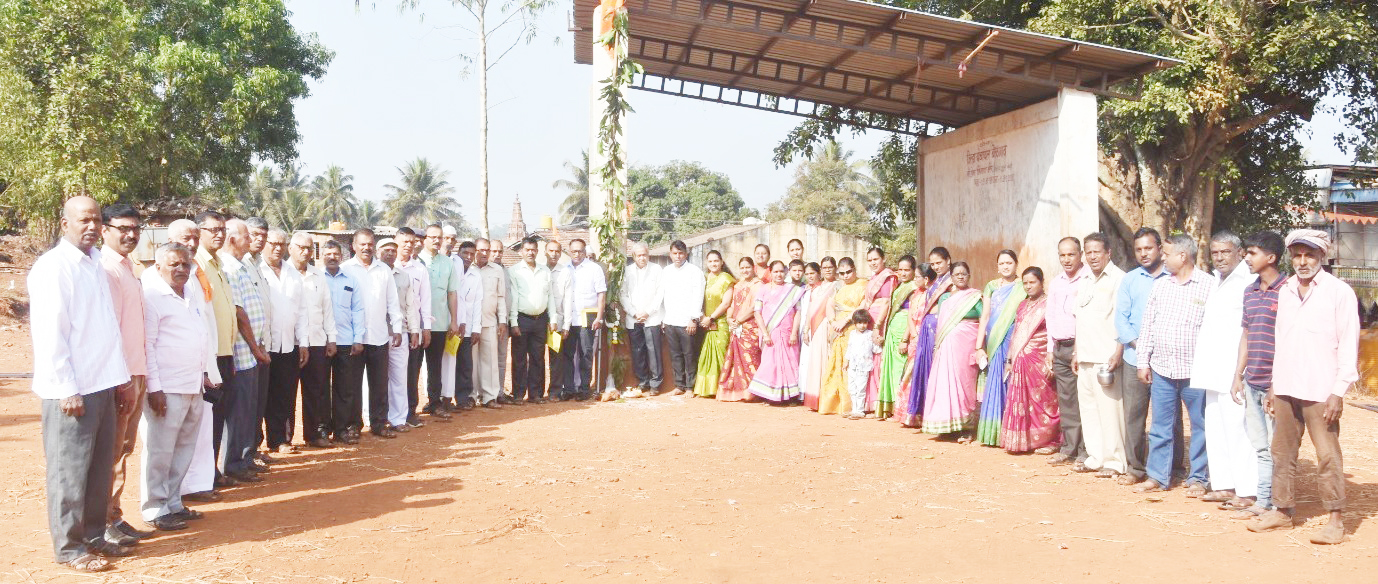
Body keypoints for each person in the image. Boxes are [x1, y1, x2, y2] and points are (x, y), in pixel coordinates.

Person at [29, 196, 133, 572]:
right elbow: (50, 333)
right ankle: (70, 548)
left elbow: (105, 327)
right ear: (65, 224)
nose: (92, 226)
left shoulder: (94, 264)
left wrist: (121, 380)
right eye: (83, 220)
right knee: (69, 472)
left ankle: (94, 536)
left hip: (103, 383)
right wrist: (65, 388)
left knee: (99, 470)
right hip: (72, 391)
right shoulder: (53, 268)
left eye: (96, 220)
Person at [1248, 229, 1358, 545]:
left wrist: (1338, 391)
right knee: (1281, 452)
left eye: (1309, 255)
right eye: (1297, 255)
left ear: (1321, 256)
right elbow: (1281, 341)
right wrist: (1273, 386)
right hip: (1286, 386)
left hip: (1321, 389)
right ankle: (1282, 511)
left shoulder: (1339, 292)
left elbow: (1349, 344)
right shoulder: (1286, 291)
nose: (1302, 261)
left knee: (1327, 455)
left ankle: (1335, 520)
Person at [138, 243, 219, 532]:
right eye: (174, 264)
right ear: (158, 267)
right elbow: (147, 345)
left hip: (193, 384)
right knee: (159, 452)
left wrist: (203, 374)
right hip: (166, 389)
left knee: (184, 449)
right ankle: (154, 508)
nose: (181, 269)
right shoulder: (152, 297)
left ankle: (173, 502)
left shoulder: (190, 295)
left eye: (186, 264)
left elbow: (199, 336)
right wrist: (154, 389)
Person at [1135, 234, 1214, 494]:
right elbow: (1148, 326)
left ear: (1182, 256)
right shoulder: (1160, 286)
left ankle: (1198, 478)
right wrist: (1143, 362)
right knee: (1160, 426)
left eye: (1167, 254)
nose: (1163, 258)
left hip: (1196, 372)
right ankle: (1158, 477)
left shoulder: (1209, 285)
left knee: (1201, 426)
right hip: (1163, 370)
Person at [97, 204, 151, 545]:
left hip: (137, 370)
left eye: (136, 228)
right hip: (122, 375)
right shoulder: (107, 269)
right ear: (105, 230)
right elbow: (110, 330)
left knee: (125, 448)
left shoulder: (128, 267)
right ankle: (102, 523)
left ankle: (114, 515)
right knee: (112, 452)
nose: (131, 234)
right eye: (123, 228)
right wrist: (122, 380)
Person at [1192, 231, 1258, 507]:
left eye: (1225, 252)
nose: (1219, 258)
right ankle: (1224, 485)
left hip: (1235, 371)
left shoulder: (1249, 281)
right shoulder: (1215, 280)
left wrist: (1240, 372)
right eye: (1215, 253)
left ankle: (1247, 489)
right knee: (1216, 428)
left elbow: (1249, 330)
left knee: (1239, 429)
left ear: (1240, 253)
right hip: (1212, 368)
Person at [1228, 230, 1286, 519]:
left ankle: (1279, 504)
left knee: (1278, 448)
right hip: (1253, 382)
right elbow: (1246, 335)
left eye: (1252, 253)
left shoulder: (1288, 291)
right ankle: (1263, 502)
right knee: (1261, 447)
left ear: (1271, 257)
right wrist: (1238, 375)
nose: (1246, 258)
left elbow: (1289, 340)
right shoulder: (1249, 291)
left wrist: (1276, 384)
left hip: (1278, 386)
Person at [164, 220, 220, 502]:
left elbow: (202, 322)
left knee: (199, 432)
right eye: (186, 238)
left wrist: (207, 367)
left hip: (201, 366)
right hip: (173, 373)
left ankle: (196, 485)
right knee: (170, 440)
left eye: (196, 238)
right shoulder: (159, 277)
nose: (193, 243)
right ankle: (172, 495)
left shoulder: (196, 273)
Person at [1114, 227, 1169, 485]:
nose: (1144, 253)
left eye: (1148, 248)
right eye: (1138, 250)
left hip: (1166, 360)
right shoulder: (1130, 280)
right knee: (1133, 416)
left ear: (1160, 248)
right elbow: (1121, 320)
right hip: (1134, 358)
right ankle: (1135, 468)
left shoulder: (1173, 278)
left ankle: (1170, 468)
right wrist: (1141, 347)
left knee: (1167, 418)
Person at [220, 218, 271, 481]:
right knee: (238, 411)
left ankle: (244, 458)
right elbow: (239, 313)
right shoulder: (228, 268)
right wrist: (254, 347)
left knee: (249, 409)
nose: (251, 241)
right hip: (241, 352)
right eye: (246, 236)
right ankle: (233, 464)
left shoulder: (243, 266)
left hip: (251, 351)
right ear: (233, 239)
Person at [1073, 233, 1127, 477]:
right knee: (1089, 411)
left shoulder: (1119, 279)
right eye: (1088, 252)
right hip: (1085, 356)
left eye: (1097, 251)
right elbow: (1080, 319)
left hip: (1106, 357)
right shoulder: (1084, 280)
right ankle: (1096, 457)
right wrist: (1076, 351)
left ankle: (1115, 461)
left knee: (1110, 413)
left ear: (1108, 253)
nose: (1092, 256)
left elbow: (1122, 319)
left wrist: (1118, 351)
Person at [341, 229, 403, 437]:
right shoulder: (346, 270)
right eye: (362, 244)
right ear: (354, 246)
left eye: (370, 244)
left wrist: (397, 328)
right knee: (352, 385)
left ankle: (379, 423)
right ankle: (353, 426)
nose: (366, 248)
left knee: (379, 384)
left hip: (379, 336)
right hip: (353, 338)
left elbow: (392, 302)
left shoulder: (383, 270)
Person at [194, 211, 236, 486]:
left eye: (222, 230)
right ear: (200, 232)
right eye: (213, 230)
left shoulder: (218, 263)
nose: (219, 234)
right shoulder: (197, 264)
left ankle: (213, 470)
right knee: (207, 417)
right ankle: (203, 475)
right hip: (209, 355)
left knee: (219, 414)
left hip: (225, 351)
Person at [1001, 267, 1060, 453]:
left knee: (1044, 401)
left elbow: (1054, 332)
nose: (1028, 286)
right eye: (1025, 283)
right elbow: (1016, 334)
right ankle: (1023, 441)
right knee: (1024, 402)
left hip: (1040, 360)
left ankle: (1050, 441)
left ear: (1042, 282)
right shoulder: (1022, 305)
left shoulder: (1049, 304)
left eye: (1032, 282)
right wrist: (1009, 360)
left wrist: (1052, 358)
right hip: (1020, 362)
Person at [922, 261, 983, 439]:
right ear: (952, 277)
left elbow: (984, 319)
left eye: (964, 273)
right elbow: (942, 323)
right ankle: (947, 427)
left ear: (969, 276)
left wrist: (981, 346)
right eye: (957, 274)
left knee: (965, 383)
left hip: (967, 345)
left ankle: (966, 427)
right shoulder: (944, 298)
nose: (961, 277)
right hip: (946, 344)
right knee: (944, 383)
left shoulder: (975, 297)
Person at [259, 229, 307, 453]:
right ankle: (255, 444)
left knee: (284, 394)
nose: (277, 248)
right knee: (261, 396)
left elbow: (301, 310)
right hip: (263, 345)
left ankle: (279, 440)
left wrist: (303, 342)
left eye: (282, 244)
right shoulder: (256, 270)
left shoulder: (292, 273)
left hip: (288, 344)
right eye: (273, 243)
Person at [288, 232, 337, 448]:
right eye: (301, 247)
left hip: (317, 341)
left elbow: (327, 309)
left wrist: (331, 338)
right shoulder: (283, 273)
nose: (305, 251)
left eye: (309, 248)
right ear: (290, 248)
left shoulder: (318, 275)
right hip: (290, 342)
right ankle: (284, 438)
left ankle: (315, 434)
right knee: (287, 391)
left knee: (317, 391)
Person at [1046, 237, 1090, 466]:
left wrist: (1079, 348)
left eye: (1071, 254)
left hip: (1081, 348)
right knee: (1067, 400)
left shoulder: (1088, 279)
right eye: (1062, 255)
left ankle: (1086, 450)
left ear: (1080, 254)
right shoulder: (1056, 283)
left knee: (1085, 399)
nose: (1066, 259)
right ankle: (1069, 447)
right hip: (1060, 347)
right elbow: (1050, 316)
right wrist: (1050, 349)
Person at [973, 250, 1025, 445]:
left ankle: (1013, 432)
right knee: (995, 380)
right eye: (1002, 263)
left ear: (1016, 264)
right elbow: (985, 316)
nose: (1005, 266)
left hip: (1014, 338)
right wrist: (979, 346)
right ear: (997, 266)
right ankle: (993, 433)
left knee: (1012, 381)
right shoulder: (991, 286)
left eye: (1009, 262)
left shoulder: (1023, 286)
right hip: (994, 340)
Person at [898, 247, 954, 428]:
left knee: (935, 371)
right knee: (923, 370)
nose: (936, 267)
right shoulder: (936, 283)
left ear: (948, 261)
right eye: (933, 264)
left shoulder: (951, 282)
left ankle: (937, 416)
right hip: (926, 330)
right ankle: (922, 415)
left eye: (939, 263)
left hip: (939, 329)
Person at [321, 241, 365, 444]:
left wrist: (358, 338)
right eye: (328, 253)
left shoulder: (351, 280)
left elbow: (358, 310)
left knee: (345, 388)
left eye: (336, 254)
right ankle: (322, 429)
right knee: (321, 388)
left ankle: (341, 430)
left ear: (341, 256)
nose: (332, 257)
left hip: (346, 340)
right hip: (321, 341)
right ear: (322, 255)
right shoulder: (316, 278)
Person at [376, 237, 419, 433]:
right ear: (378, 252)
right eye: (386, 250)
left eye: (393, 250)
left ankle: (398, 418)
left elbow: (410, 306)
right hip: (376, 333)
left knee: (399, 377)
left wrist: (414, 330)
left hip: (399, 333)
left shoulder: (403, 276)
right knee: (375, 379)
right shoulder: (372, 274)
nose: (390, 253)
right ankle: (374, 418)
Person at [419, 224, 461, 419]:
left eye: (439, 237)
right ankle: (409, 407)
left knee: (435, 366)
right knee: (413, 367)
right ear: (425, 239)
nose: (437, 240)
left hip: (440, 322)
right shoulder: (416, 260)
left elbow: (452, 293)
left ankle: (434, 402)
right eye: (432, 237)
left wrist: (454, 321)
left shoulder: (447, 263)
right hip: (417, 324)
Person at [243, 218, 275, 465]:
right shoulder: (240, 265)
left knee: (258, 402)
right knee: (246, 406)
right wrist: (255, 346)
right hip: (246, 348)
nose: (259, 239)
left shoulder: (257, 265)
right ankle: (245, 454)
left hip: (262, 345)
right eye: (254, 234)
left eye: (263, 235)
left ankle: (253, 450)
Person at [747, 261, 804, 403]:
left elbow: (798, 312)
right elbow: (757, 313)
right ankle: (770, 395)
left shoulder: (792, 290)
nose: (779, 274)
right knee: (770, 363)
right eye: (775, 272)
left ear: (785, 272)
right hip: (770, 333)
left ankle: (790, 396)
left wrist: (794, 333)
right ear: (770, 273)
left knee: (790, 362)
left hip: (787, 333)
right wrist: (765, 333)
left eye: (781, 271)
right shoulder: (763, 289)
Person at [508, 236, 554, 403]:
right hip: (522, 319)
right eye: (527, 250)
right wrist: (514, 322)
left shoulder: (545, 271)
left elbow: (550, 297)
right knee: (519, 358)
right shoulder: (514, 271)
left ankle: (535, 394)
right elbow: (513, 298)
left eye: (533, 250)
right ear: (521, 251)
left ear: (537, 251)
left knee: (538, 358)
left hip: (540, 320)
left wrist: (553, 318)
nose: (530, 253)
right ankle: (518, 394)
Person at [819, 257, 868, 415]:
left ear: (855, 270)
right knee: (837, 364)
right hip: (838, 330)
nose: (846, 275)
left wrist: (845, 321)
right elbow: (829, 305)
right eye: (842, 273)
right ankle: (835, 404)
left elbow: (863, 306)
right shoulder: (838, 286)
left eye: (849, 272)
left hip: (854, 328)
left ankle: (853, 405)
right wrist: (833, 322)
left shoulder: (863, 284)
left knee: (854, 366)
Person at [395, 228, 432, 425]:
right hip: (390, 329)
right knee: (391, 374)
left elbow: (425, 301)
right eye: (405, 241)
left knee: (412, 372)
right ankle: (388, 413)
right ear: (396, 241)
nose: (409, 245)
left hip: (413, 329)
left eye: (412, 242)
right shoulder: (387, 266)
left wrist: (426, 328)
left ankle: (409, 412)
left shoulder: (419, 269)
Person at [620, 242, 664, 397]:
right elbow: (623, 294)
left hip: (652, 318)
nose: (642, 258)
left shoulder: (656, 269)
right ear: (633, 256)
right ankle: (643, 382)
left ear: (648, 255)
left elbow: (660, 293)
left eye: (644, 255)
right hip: (634, 318)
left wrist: (648, 312)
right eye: (639, 255)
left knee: (653, 351)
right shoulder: (627, 271)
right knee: (637, 351)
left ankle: (655, 384)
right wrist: (633, 313)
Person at [662, 240, 706, 396]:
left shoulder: (695, 271)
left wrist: (693, 319)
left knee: (690, 355)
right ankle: (679, 385)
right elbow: (663, 296)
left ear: (686, 254)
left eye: (681, 253)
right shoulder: (666, 271)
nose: (678, 256)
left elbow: (698, 296)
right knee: (675, 355)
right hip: (670, 320)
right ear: (670, 254)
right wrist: (664, 319)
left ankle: (690, 387)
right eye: (675, 253)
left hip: (687, 322)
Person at [877, 256, 918, 420]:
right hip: (893, 329)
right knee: (891, 369)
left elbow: (913, 315)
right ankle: (891, 407)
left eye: (907, 270)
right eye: (900, 270)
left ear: (913, 271)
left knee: (901, 370)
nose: (903, 273)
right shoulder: (899, 286)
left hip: (903, 330)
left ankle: (902, 407)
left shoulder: (914, 288)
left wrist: (905, 339)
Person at [565, 239, 606, 400]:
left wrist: (599, 317)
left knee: (585, 354)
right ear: (569, 251)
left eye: (580, 251)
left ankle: (584, 389)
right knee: (568, 355)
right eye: (574, 251)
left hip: (587, 317)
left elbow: (601, 294)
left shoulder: (594, 268)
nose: (577, 254)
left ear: (584, 251)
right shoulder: (565, 268)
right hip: (569, 319)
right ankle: (569, 389)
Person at [718, 256, 763, 402]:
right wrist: (729, 318)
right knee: (737, 359)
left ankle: (754, 392)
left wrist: (738, 321)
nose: (745, 270)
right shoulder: (737, 285)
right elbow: (731, 305)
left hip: (751, 326)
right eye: (742, 268)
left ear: (753, 268)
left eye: (747, 267)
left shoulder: (758, 284)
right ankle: (740, 391)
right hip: (736, 326)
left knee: (751, 358)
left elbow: (754, 307)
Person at [470, 238, 509, 408]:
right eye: (481, 250)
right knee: (471, 362)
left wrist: (502, 320)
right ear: (475, 250)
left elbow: (500, 297)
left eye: (487, 250)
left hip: (489, 321)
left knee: (490, 361)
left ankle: (489, 397)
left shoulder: (497, 270)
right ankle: (471, 396)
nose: (484, 253)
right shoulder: (467, 268)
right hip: (470, 324)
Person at [859, 247, 898, 413]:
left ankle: (879, 402)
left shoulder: (888, 277)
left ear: (884, 259)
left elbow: (887, 302)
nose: (873, 263)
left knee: (878, 359)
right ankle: (869, 401)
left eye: (875, 259)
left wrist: (878, 326)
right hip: (870, 317)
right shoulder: (873, 278)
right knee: (869, 358)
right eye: (869, 260)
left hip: (879, 320)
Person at [693, 250, 735, 398]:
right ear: (707, 263)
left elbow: (726, 303)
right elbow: (698, 298)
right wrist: (703, 317)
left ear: (722, 262)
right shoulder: (704, 278)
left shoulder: (727, 279)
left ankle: (723, 388)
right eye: (710, 261)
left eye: (716, 261)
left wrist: (711, 318)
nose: (713, 264)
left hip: (721, 322)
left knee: (721, 354)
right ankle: (708, 389)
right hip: (705, 323)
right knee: (706, 356)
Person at [452, 241, 483, 408]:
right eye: (465, 253)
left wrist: (476, 329)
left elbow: (478, 303)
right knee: (449, 363)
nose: (469, 257)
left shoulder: (476, 275)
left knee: (465, 364)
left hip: (468, 328)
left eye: (472, 254)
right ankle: (444, 398)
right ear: (459, 253)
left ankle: (463, 398)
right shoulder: (451, 269)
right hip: (450, 326)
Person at [546, 239, 573, 402]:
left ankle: (555, 391)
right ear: (545, 252)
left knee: (556, 357)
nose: (554, 254)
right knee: (536, 357)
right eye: (551, 250)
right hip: (539, 321)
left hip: (557, 322)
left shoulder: (565, 272)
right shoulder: (540, 270)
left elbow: (568, 300)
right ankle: (535, 392)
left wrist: (566, 325)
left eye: (557, 251)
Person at [843, 310, 882, 419]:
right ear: (855, 323)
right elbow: (849, 348)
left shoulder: (870, 334)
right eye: (859, 323)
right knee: (852, 388)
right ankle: (854, 409)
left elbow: (876, 349)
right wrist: (846, 361)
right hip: (852, 365)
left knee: (860, 389)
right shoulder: (852, 334)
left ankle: (859, 411)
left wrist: (880, 342)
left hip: (864, 367)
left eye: (864, 323)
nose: (862, 325)